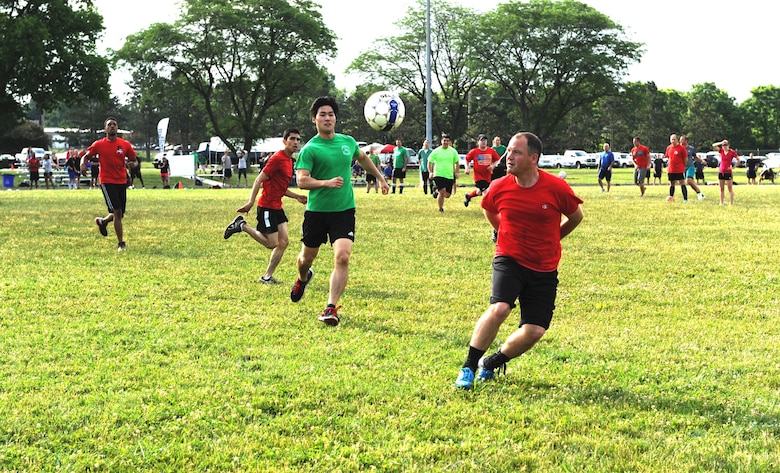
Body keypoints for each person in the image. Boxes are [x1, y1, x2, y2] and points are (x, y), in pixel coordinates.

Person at [454, 131, 584, 389]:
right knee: (500, 308)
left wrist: (553, 239)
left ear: (533, 158)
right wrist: (502, 232)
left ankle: (491, 363)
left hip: (545, 266)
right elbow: (489, 210)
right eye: (508, 151)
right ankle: (468, 366)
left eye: (516, 152)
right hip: (509, 258)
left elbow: (576, 216)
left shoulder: (556, 188)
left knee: (535, 330)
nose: (508, 157)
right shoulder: (499, 186)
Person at [290, 96, 389, 326]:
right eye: (322, 114)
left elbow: (363, 159)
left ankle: (330, 307)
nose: (327, 118)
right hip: (316, 212)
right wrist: (325, 183)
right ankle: (303, 278)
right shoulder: (310, 149)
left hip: (343, 210)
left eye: (331, 114)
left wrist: (381, 178)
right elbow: (301, 181)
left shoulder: (348, 142)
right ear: (314, 119)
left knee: (342, 257)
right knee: (306, 259)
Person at [224, 128, 308, 284]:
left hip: (277, 207)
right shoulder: (277, 158)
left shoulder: (289, 161)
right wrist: (250, 202)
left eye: (298, 139)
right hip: (267, 207)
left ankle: (267, 277)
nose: (296, 142)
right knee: (272, 243)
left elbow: (281, 188)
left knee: (284, 242)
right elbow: (258, 180)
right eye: (292, 139)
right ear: (285, 141)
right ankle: (242, 226)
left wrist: (297, 196)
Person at [80, 117, 138, 251]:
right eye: (109, 125)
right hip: (107, 181)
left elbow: (134, 160)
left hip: (121, 181)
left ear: (117, 128)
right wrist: (83, 164)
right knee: (117, 212)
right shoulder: (99, 144)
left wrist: (132, 164)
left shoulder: (125, 144)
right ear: (105, 129)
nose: (112, 126)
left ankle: (103, 222)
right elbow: (86, 156)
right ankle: (121, 243)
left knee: (120, 214)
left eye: (114, 125)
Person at [463, 134, 500, 207]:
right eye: (482, 140)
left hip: (488, 175)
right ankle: (487, 208)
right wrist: (467, 167)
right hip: (478, 177)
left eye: (485, 140)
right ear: (478, 142)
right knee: (486, 192)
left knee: (479, 192)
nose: (483, 142)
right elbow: (467, 160)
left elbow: (497, 160)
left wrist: (493, 166)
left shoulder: (491, 151)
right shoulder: (474, 151)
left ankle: (468, 196)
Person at [427, 133, 460, 212]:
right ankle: (440, 208)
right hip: (439, 174)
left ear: (449, 142)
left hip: (449, 175)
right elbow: (429, 162)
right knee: (442, 192)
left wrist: (456, 172)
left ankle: (435, 190)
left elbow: (457, 162)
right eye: (444, 140)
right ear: (441, 141)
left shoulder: (453, 151)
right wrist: (430, 172)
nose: (445, 142)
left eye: (447, 141)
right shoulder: (436, 151)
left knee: (447, 195)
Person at [713, 139, 740, 204]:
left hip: (728, 172)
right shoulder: (721, 151)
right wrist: (721, 142)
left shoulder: (732, 152)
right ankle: (721, 202)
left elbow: (738, 160)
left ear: (728, 145)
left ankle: (731, 202)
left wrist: (733, 167)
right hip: (721, 171)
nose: (724, 146)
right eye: (723, 145)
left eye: (726, 145)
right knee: (721, 189)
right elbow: (714, 145)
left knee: (730, 188)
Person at [679, 135, 706, 200]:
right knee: (683, 182)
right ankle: (698, 194)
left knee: (689, 180)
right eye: (680, 140)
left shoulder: (691, 149)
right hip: (681, 167)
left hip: (690, 166)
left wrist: (702, 160)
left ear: (686, 141)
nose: (680, 141)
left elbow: (695, 157)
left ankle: (699, 194)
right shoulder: (678, 148)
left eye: (682, 140)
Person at [664, 134, 688, 202]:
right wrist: (667, 167)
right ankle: (671, 197)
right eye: (672, 139)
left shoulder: (681, 148)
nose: (673, 141)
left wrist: (684, 166)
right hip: (671, 169)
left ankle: (685, 199)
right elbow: (668, 158)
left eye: (674, 139)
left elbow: (685, 158)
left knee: (682, 183)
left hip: (679, 169)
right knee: (672, 184)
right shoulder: (669, 148)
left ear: (677, 140)